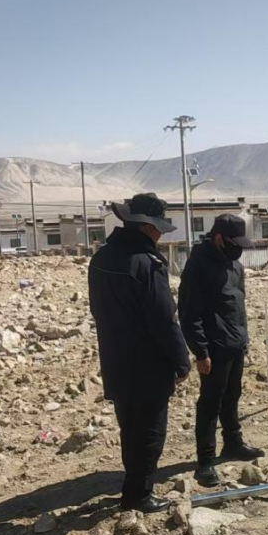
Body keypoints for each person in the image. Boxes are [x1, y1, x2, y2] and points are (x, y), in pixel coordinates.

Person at [88, 193, 191, 513]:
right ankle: (138, 495)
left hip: (115, 358)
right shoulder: (147, 264)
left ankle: (133, 488)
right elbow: (163, 319)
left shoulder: (101, 259)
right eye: (158, 227)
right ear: (146, 227)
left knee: (130, 427)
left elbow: (97, 309)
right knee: (150, 432)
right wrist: (181, 361)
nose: (160, 234)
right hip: (148, 365)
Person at [178, 214, 264, 487]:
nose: (238, 249)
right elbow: (189, 314)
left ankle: (233, 443)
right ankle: (205, 461)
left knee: (232, 396)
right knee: (210, 404)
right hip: (213, 349)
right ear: (218, 238)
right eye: (234, 243)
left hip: (235, 344)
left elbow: (237, 305)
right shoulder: (198, 267)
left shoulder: (234, 266)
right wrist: (201, 352)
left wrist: (243, 339)